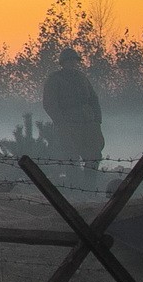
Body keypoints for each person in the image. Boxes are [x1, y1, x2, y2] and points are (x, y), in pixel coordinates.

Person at [42, 48, 105, 188]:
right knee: (71, 157)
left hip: (88, 123)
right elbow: (49, 104)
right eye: (69, 61)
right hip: (68, 124)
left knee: (94, 154)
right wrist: (61, 123)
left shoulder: (82, 77)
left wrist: (97, 120)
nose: (72, 63)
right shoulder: (54, 79)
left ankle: (90, 186)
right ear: (62, 63)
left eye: (74, 61)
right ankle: (75, 187)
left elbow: (94, 99)